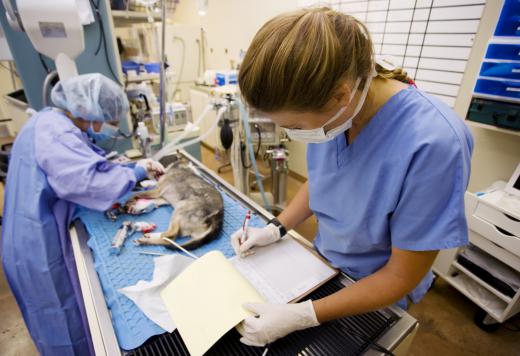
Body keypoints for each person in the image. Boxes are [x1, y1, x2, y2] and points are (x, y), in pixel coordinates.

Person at [231, 7, 474, 347]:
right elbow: (325, 179)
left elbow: (400, 276)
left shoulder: (435, 143)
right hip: (323, 265)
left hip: (376, 290)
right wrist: (277, 228)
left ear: (341, 96)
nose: (293, 134)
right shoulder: (338, 116)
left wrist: (304, 316)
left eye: (295, 126)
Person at [1, 73, 164, 356]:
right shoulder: (57, 133)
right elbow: (90, 182)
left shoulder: (49, 122)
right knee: (63, 321)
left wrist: (128, 168)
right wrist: (136, 172)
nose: (110, 129)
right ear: (89, 111)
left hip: (22, 236)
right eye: (110, 122)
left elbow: (88, 161)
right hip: (38, 248)